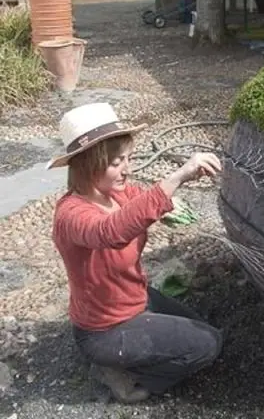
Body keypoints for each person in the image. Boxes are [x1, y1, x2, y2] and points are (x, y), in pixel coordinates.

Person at [47, 102, 224, 403]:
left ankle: (131, 353)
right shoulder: (71, 214)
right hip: (104, 330)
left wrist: (172, 200)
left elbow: (144, 204)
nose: (127, 169)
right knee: (208, 344)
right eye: (117, 162)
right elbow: (110, 232)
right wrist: (178, 175)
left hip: (133, 300)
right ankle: (124, 375)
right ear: (88, 163)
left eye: (128, 158)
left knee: (202, 326)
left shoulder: (117, 192)